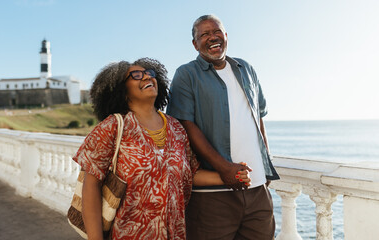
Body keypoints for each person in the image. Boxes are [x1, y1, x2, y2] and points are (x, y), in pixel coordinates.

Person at [72, 57, 249, 240]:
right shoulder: (113, 127)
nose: (147, 78)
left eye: (149, 73)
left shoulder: (176, 128)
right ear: (122, 90)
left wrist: (231, 174)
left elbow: (190, 174)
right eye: (136, 75)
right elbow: (91, 184)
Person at [166, 15, 280, 240]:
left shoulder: (246, 68)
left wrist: (266, 163)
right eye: (204, 34)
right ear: (195, 44)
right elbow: (185, 125)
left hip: (257, 190)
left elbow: (258, 117)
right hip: (212, 197)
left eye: (216, 31)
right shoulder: (186, 74)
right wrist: (224, 168)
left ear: (226, 35)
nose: (212, 37)